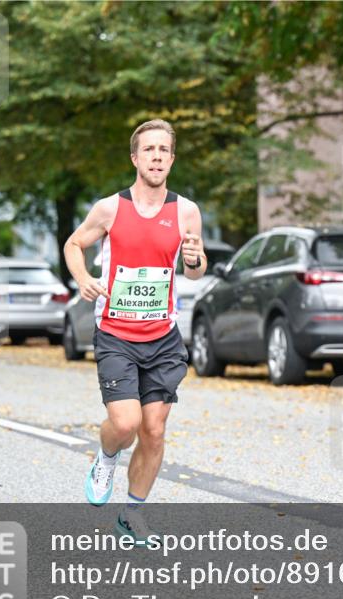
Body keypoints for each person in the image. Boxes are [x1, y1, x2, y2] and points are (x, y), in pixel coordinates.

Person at [64, 119, 207, 541]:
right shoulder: (110, 208)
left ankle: (132, 513)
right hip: (116, 335)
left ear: (172, 159)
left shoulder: (186, 211)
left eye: (164, 150)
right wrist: (83, 278)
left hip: (163, 338)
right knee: (125, 425)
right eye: (149, 150)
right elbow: (75, 244)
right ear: (135, 158)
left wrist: (195, 257)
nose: (157, 156)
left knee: (155, 430)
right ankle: (107, 455)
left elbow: (195, 273)